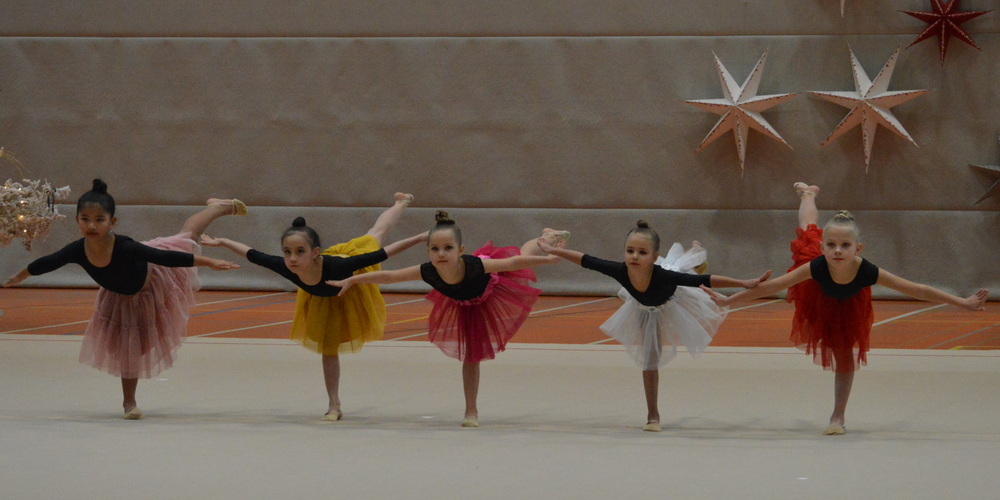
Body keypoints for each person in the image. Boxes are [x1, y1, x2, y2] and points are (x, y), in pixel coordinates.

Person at [703, 182, 989, 435]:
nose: (838, 250)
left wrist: (962, 302)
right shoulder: (815, 265)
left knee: (845, 358)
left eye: (845, 245)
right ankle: (808, 194)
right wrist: (729, 300)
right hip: (817, 295)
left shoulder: (867, 271)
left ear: (857, 248)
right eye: (831, 245)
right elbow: (770, 286)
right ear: (824, 248)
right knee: (808, 232)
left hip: (849, 305)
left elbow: (917, 289)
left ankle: (838, 415)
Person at [3, 179, 242, 419]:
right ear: (77, 220)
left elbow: (163, 257)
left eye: (99, 220)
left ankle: (217, 207)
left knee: (188, 237)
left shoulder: (125, 246)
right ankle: (129, 403)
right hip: (119, 297)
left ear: (112, 222)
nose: (91, 226)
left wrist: (209, 262)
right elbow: (48, 262)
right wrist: (21, 275)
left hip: (153, 281)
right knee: (131, 349)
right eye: (85, 219)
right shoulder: (77, 250)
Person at [200, 193, 425, 420]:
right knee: (328, 350)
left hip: (350, 281)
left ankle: (401, 202)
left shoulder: (339, 266)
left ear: (314, 252)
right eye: (287, 252)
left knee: (375, 235)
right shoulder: (287, 266)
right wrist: (224, 242)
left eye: (300, 252)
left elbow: (384, 253)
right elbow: (253, 255)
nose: (292, 259)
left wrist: (420, 238)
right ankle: (334, 404)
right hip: (321, 300)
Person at [329, 211, 560, 427]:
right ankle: (471, 411)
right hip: (465, 303)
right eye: (435, 249)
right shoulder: (427, 270)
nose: (441, 254)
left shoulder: (475, 265)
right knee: (471, 357)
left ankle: (545, 238)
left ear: (460, 250)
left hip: (492, 287)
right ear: (428, 251)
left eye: (448, 248)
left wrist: (548, 261)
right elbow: (389, 276)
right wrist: (353, 280)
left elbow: (511, 264)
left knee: (522, 256)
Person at [538, 221, 770, 432]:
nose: (634, 256)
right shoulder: (620, 270)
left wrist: (743, 282)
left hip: (672, 296)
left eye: (642, 252)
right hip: (643, 307)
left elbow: (704, 281)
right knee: (649, 360)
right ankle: (653, 416)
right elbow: (585, 260)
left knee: (684, 271)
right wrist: (552, 250)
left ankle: (695, 253)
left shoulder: (662, 275)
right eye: (630, 251)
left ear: (654, 256)